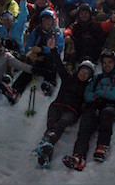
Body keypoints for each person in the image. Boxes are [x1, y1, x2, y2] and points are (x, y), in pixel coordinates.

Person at [63, 26, 115, 171]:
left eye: (110, 63)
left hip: (112, 106)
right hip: (96, 105)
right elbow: (88, 92)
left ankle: (102, 147)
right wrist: (94, 99)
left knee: (107, 114)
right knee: (86, 123)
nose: (107, 65)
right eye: (104, 63)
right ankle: (78, 156)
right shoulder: (97, 78)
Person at [33, 36, 96, 168]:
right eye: (82, 71)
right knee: (52, 123)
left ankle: (47, 143)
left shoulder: (87, 88)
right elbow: (59, 65)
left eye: (87, 74)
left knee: (62, 122)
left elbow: (90, 99)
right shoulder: (68, 78)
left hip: (71, 111)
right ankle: (46, 153)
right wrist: (53, 49)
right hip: (57, 105)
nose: (83, 75)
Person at [7, 9, 64, 101]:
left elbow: (58, 47)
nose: (46, 22)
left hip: (50, 58)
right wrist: (30, 53)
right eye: (44, 20)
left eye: (48, 19)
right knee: (28, 69)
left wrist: (42, 50)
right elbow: (29, 45)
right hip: (36, 57)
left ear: (53, 21)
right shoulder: (36, 31)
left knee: (51, 64)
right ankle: (15, 90)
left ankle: (50, 83)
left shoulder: (57, 33)